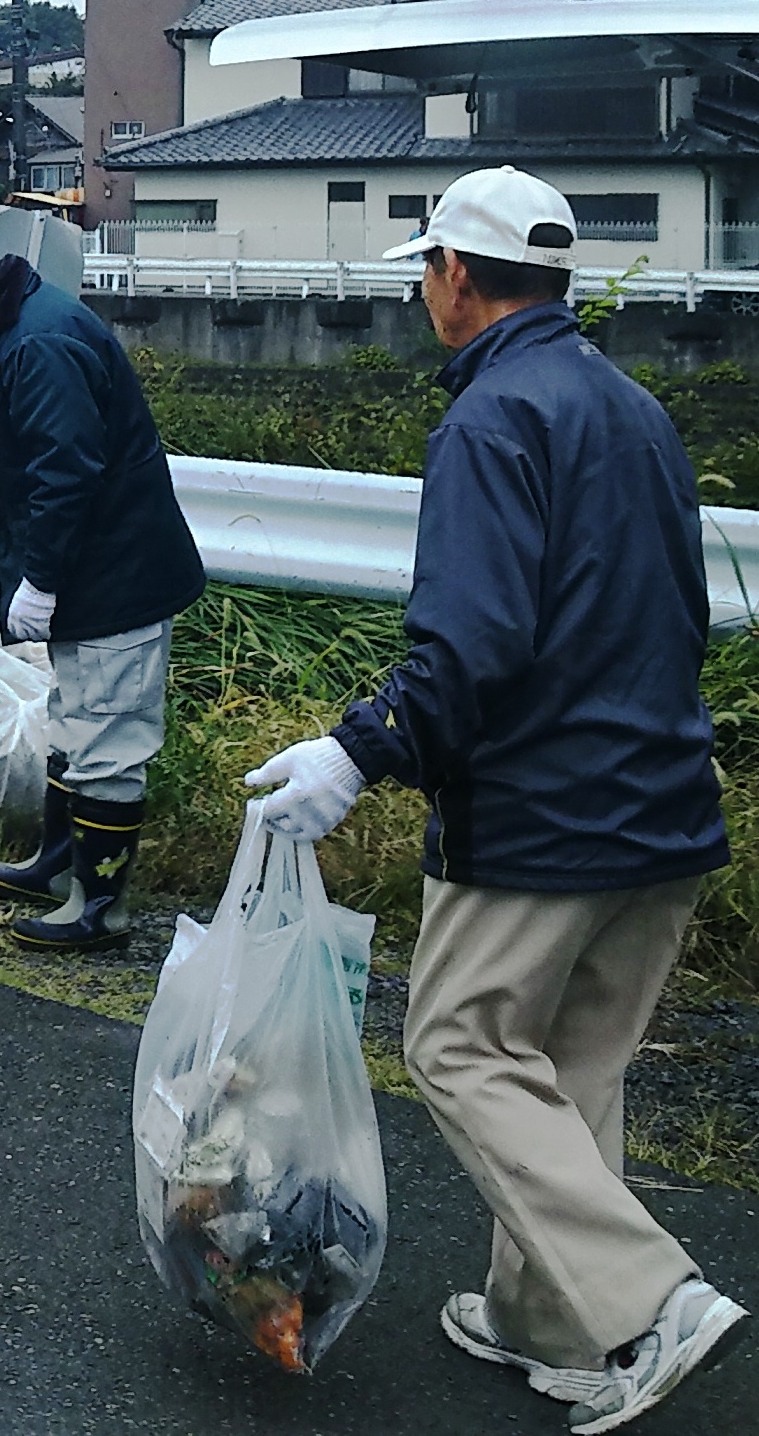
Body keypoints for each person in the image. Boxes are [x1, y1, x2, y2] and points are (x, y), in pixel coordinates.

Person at [245, 168, 742, 1428]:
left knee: (459, 1044)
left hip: (538, 818)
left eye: (425, 270)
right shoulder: (630, 407)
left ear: (454, 279)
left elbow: (467, 647)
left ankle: (645, 1301)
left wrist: (358, 750)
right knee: (570, 1071)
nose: (425, 291)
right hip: (663, 804)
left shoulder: (489, 419)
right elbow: (675, 614)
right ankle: (550, 1326)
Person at [0, 229, 204, 952]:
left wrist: (42, 580)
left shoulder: (37, 346)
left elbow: (66, 475)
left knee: (108, 738)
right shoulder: (21, 326)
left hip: (115, 576)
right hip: (97, 572)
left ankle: (98, 906)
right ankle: (59, 865)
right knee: (75, 718)